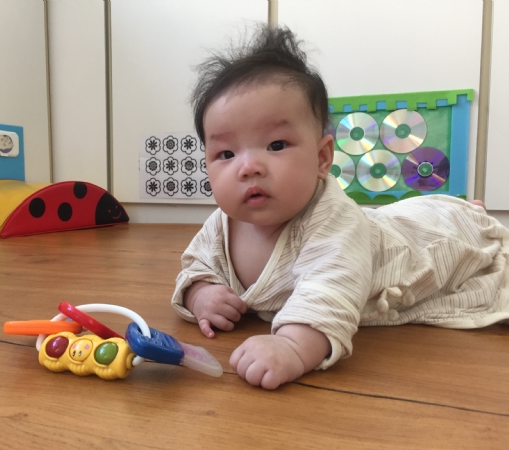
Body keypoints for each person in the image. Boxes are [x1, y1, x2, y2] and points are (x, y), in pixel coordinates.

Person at [170, 25, 509, 390]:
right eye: (226, 153)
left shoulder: (332, 221)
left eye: (276, 145)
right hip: (377, 224)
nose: (248, 166)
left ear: (322, 158)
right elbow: (196, 265)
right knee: (392, 218)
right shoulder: (222, 225)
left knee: (448, 236)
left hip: (411, 248)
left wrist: (293, 345)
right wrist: (200, 293)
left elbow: (331, 288)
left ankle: (465, 214)